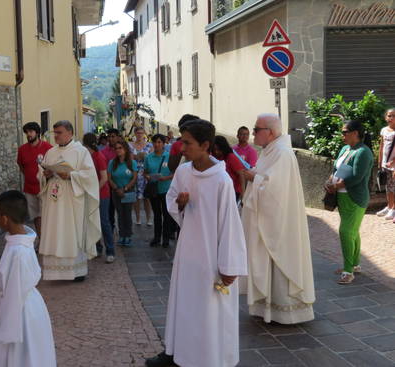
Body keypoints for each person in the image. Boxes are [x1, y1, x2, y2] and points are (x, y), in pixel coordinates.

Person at [146, 120, 247, 367]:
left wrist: (229, 266)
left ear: (205, 145)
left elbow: (230, 227)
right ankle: (178, 353)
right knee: (185, 305)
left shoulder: (221, 181)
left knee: (209, 311)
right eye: (181, 141)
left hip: (212, 258)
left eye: (187, 143)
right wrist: (180, 204)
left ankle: (208, 358)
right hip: (187, 253)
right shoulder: (183, 172)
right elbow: (171, 201)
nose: (181, 148)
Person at [241, 114, 315, 324]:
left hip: (280, 223)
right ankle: (267, 308)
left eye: (257, 129)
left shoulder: (282, 153)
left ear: (270, 133)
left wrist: (252, 178)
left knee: (280, 262)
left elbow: (275, 191)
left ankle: (287, 311)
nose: (253, 133)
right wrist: (255, 177)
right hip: (269, 221)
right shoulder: (269, 152)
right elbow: (267, 180)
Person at [0, 191, 57, 367]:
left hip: (19, 311)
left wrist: (7, 331)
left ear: (4, 219)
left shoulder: (18, 251)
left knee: (20, 353)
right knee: (30, 353)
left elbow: (13, 292)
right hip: (28, 304)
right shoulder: (22, 242)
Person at [37, 121, 101, 281]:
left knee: (71, 232)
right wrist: (46, 175)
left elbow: (90, 176)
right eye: (55, 132)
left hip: (72, 200)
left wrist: (72, 175)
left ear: (70, 133)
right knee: (54, 230)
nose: (56, 135)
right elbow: (41, 174)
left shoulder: (81, 152)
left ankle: (76, 272)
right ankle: (55, 273)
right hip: (54, 200)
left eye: (59, 132)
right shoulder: (51, 152)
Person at [325, 120, 374, 284]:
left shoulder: (364, 152)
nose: (342, 135)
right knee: (353, 231)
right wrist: (330, 181)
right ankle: (355, 265)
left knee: (346, 232)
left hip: (355, 198)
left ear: (355, 133)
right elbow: (336, 169)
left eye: (345, 132)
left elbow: (356, 177)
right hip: (342, 197)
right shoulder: (345, 148)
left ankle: (348, 271)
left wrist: (336, 186)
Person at [17, 122, 53, 240]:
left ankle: (49, 241)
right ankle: (41, 240)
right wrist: (29, 176)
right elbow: (21, 166)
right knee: (36, 216)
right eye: (27, 132)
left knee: (47, 215)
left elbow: (53, 166)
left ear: (37, 133)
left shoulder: (48, 148)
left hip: (45, 188)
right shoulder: (22, 149)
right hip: (29, 189)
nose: (28, 134)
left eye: (31, 131)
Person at [83, 133, 115, 263]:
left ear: (85, 144)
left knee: (104, 222)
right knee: (92, 221)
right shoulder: (87, 157)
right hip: (92, 193)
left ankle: (110, 251)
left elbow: (104, 178)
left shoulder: (99, 157)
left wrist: (93, 191)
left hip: (101, 194)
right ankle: (97, 248)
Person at [144, 134, 174, 248]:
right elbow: (145, 171)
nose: (157, 144)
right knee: (157, 214)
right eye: (155, 142)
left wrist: (165, 178)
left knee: (167, 215)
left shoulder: (169, 156)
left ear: (163, 144)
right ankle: (156, 237)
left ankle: (165, 239)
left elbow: (174, 173)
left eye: (159, 142)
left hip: (166, 189)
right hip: (154, 190)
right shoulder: (148, 157)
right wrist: (147, 176)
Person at [107, 139, 138, 247]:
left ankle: (128, 235)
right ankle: (122, 235)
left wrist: (125, 189)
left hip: (128, 191)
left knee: (127, 214)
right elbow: (109, 178)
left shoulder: (131, 162)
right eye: (116, 148)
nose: (118, 150)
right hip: (116, 192)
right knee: (120, 214)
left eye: (120, 148)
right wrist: (116, 189)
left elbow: (134, 178)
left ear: (125, 149)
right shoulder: (112, 163)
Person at [129, 126, 153, 226]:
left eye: (141, 133)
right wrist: (140, 156)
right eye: (138, 133)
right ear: (135, 133)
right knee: (137, 198)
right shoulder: (130, 145)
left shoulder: (149, 145)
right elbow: (130, 158)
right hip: (134, 173)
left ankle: (149, 218)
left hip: (146, 174)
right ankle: (138, 218)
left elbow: (150, 159)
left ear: (144, 134)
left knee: (147, 197)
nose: (139, 135)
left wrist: (137, 157)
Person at [376, 109, 395, 219]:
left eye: (393, 116)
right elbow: (382, 146)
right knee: (388, 187)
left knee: (394, 187)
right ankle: (389, 206)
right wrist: (380, 162)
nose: (391, 118)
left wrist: (393, 162)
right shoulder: (384, 130)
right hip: (385, 164)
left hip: (394, 165)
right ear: (385, 117)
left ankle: (393, 209)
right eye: (389, 116)